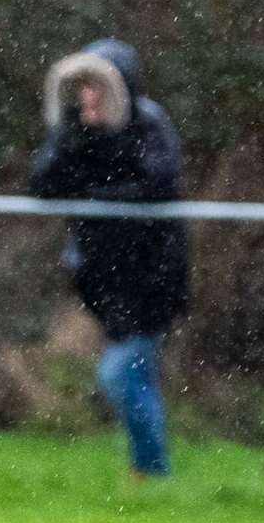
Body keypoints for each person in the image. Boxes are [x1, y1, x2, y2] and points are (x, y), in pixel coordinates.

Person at [30, 39, 188, 478]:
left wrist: (96, 189)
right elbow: (44, 185)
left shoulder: (149, 124)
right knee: (136, 378)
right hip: (102, 279)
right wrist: (69, 140)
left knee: (118, 375)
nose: (89, 95)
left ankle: (151, 469)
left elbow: (157, 184)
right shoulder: (76, 131)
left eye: (98, 85)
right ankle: (152, 472)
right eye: (83, 86)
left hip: (151, 277)